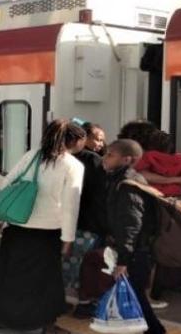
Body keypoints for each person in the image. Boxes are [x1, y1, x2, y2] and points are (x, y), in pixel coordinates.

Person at [0, 119, 86, 334]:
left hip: (17, 228)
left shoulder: (32, 155)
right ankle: (46, 325)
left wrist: (5, 215)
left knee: (9, 276)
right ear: (75, 141)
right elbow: (70, 206)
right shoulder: (73, 166)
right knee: (45, 282)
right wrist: (68, 238)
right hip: (46, 234)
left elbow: (6, 183)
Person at [102, 139, 166, 334]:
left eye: (110, 155)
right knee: (135, 296)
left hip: (137, 252)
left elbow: (131, 225)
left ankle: (155, 331)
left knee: (136, 296)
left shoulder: (129, 185)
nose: (105, 158)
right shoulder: (120, 180)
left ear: (127, 159)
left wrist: (123, 260)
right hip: (135, 251)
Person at [67, 124, 108, 309]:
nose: (100, 143)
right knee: (85, 265)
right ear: (83, 138)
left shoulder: (62, 158)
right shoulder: (93, 160)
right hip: (89, 223)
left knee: (70, 262)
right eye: (97, 138)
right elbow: (101, 194)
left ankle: (67, 299)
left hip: (69, 221)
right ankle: (83, 302)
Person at [134, 130, 181, 197]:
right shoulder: (179, 159)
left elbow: (140, 174)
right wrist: (177, 179)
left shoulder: (148, 156)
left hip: (154, 195)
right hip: (174, 195)